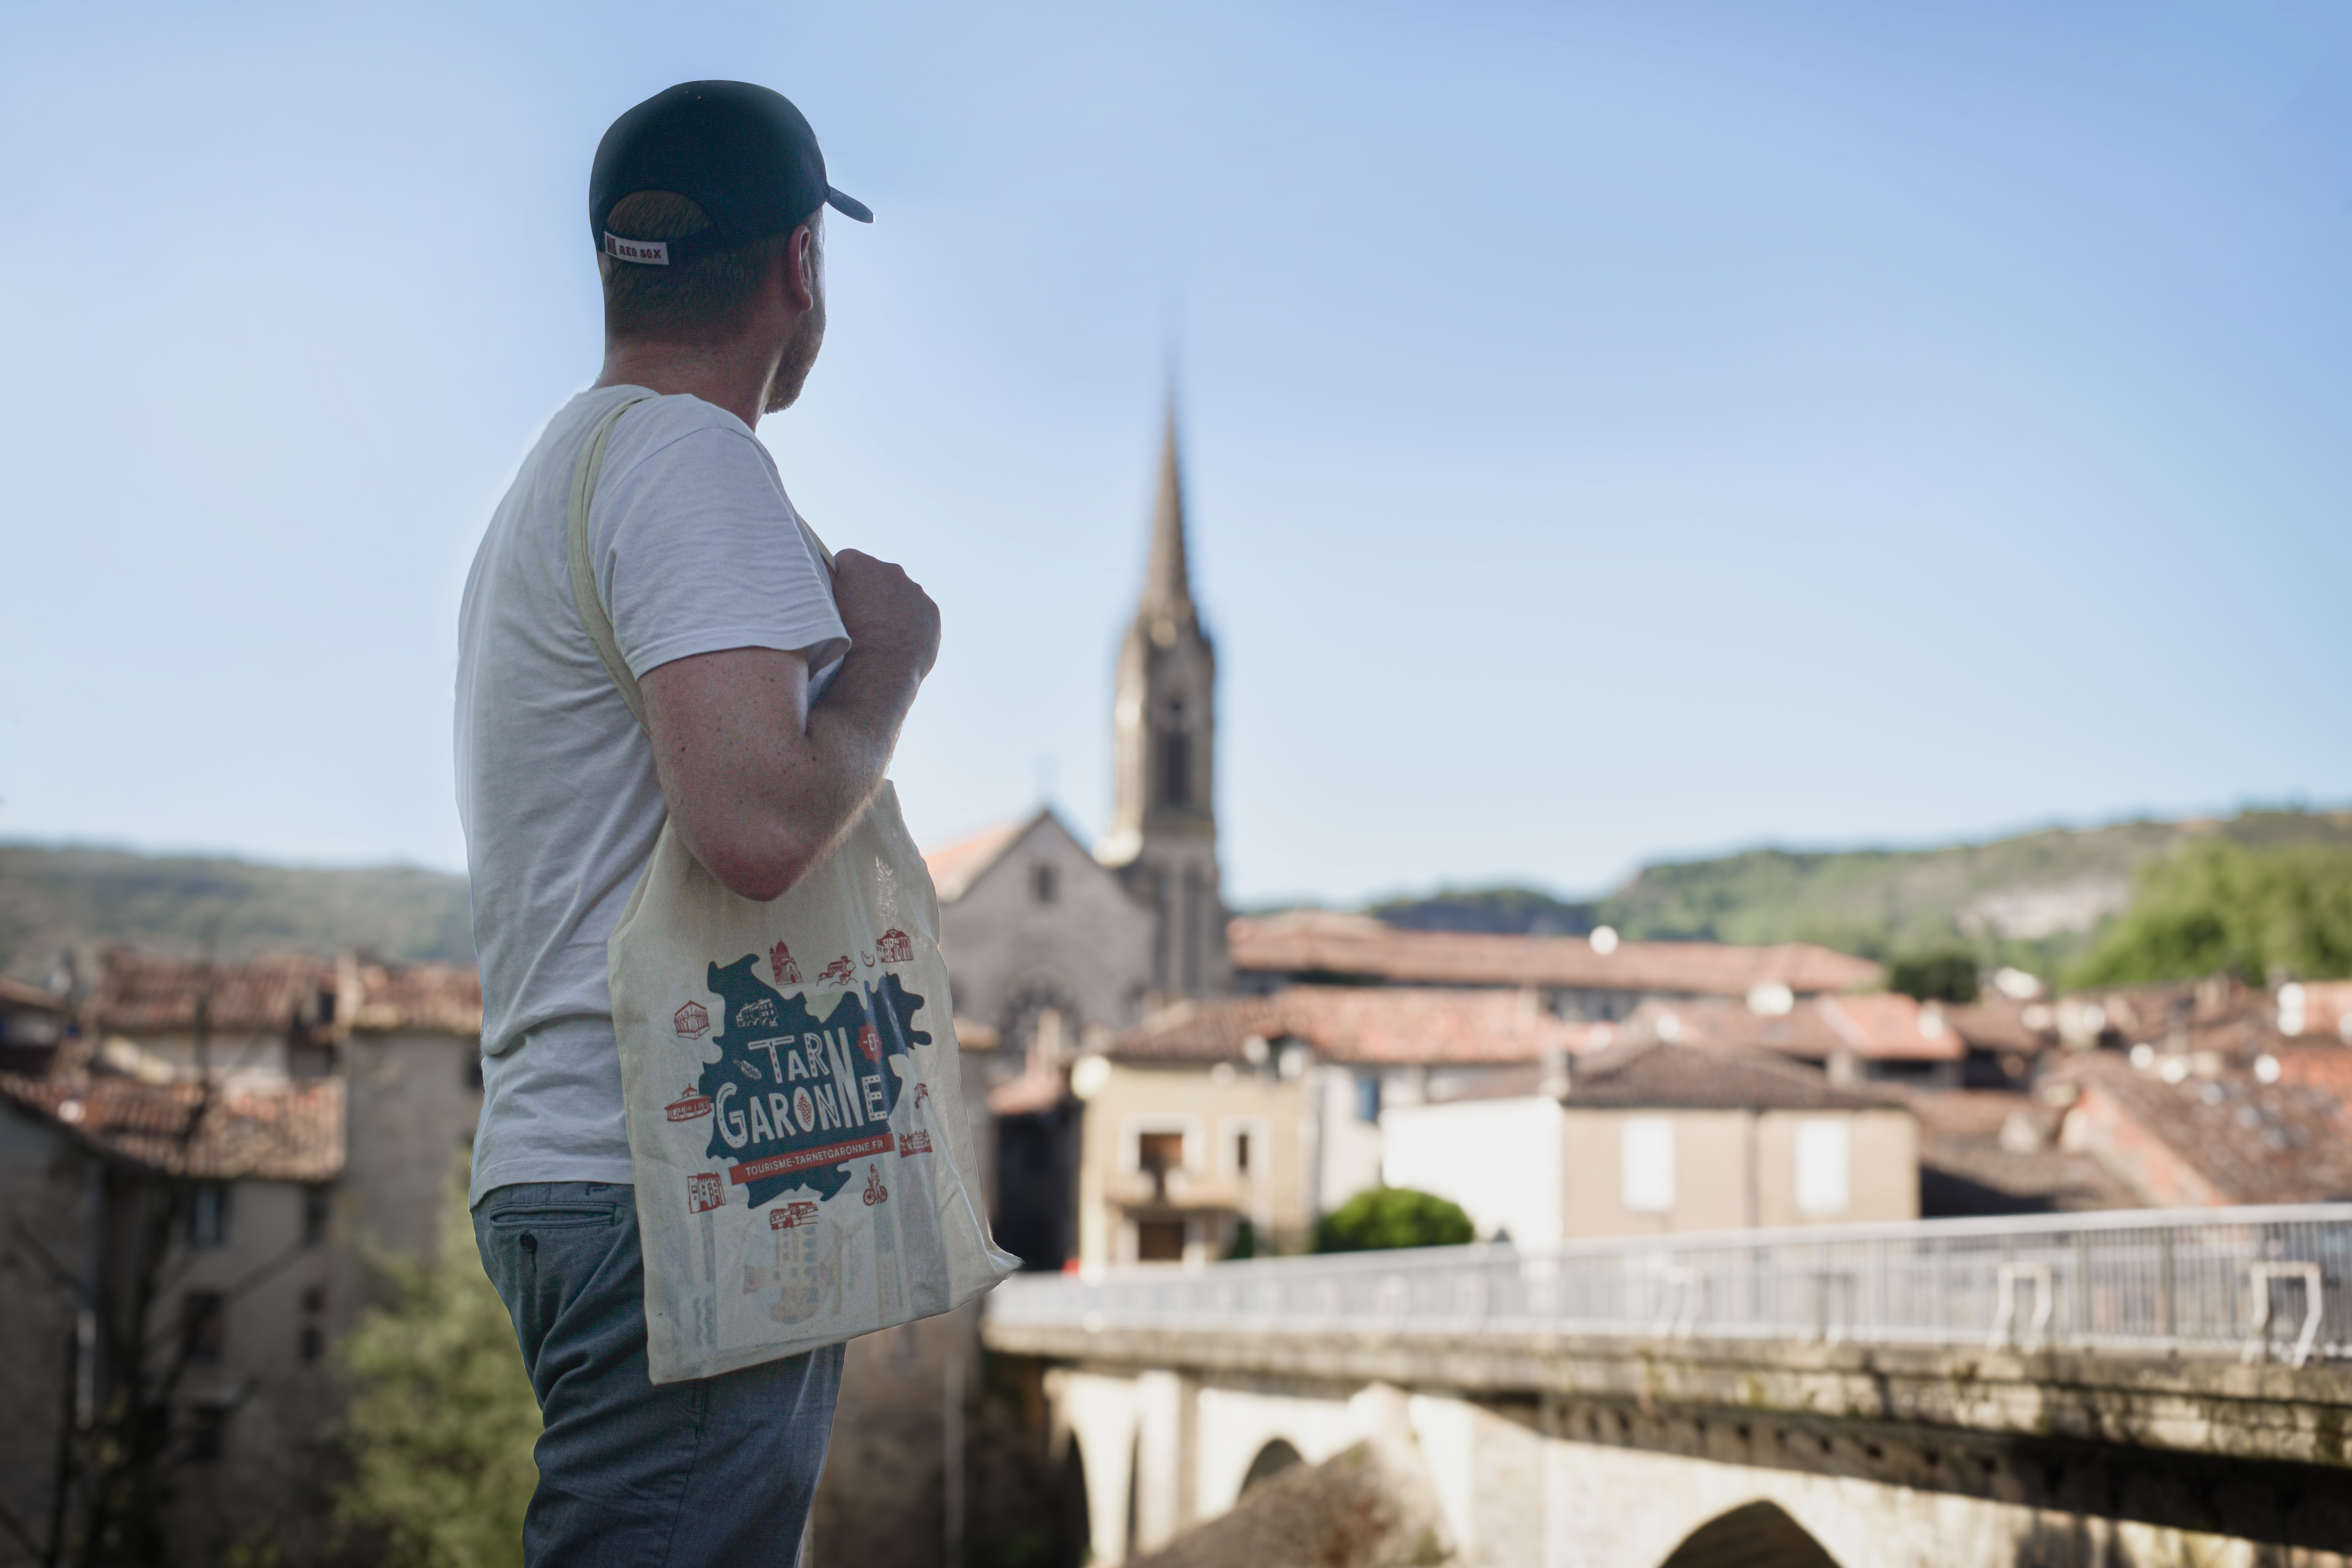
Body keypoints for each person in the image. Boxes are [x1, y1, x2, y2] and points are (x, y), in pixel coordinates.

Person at [454, 81, 938, 1564]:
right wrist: (891, 666)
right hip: (676, 1178)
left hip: (587, 1173)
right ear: (800, 265)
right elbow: (755, 824)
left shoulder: (568, 472)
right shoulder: (689, 460)